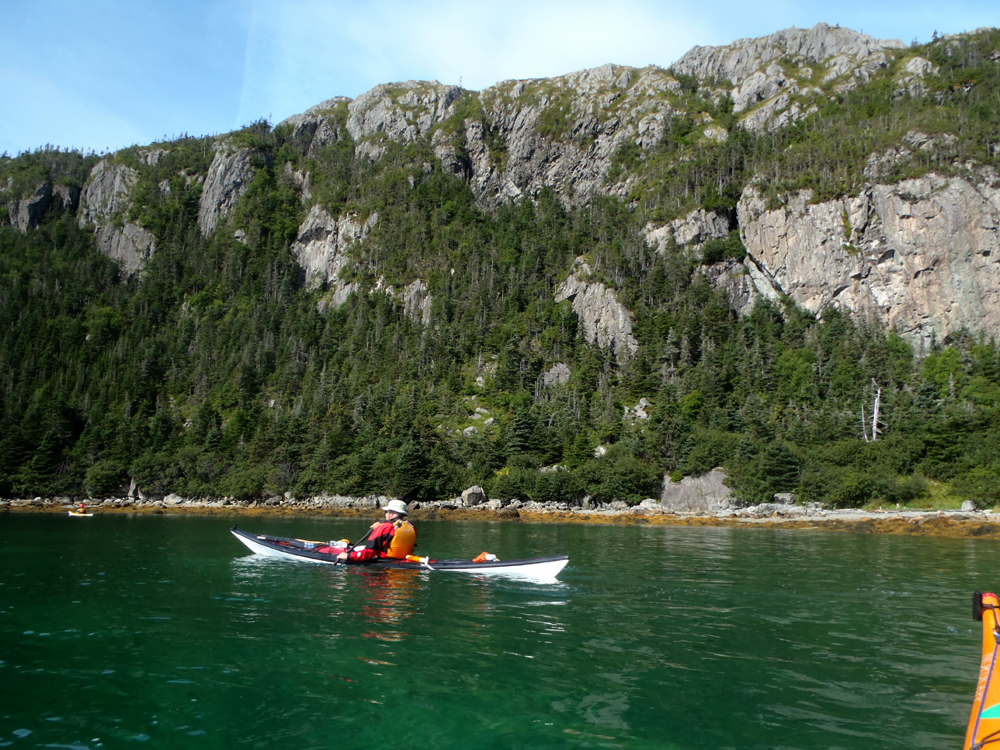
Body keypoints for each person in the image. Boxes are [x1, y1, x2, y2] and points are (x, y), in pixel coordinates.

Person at [337, 500, 415, 562]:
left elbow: (368, 553)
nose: (385, 515)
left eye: (386, 512)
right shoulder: (411, 526)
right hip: (403, 560)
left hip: (385, 564)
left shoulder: (384, 527)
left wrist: (348, 556)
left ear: (392, 512)